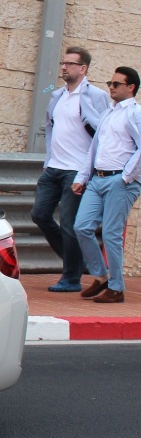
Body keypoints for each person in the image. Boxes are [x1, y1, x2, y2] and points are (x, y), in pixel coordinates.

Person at [34, 47, 110, 292]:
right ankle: (75, 261)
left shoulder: (96, 96)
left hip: (76, 171)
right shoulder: (56, 95)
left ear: (83, 68)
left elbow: (104, 133)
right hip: (53, 168)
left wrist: (87, 172)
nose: (64, 67)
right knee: (39, 214)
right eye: (63, 63)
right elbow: (51, 127)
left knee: (68, 224)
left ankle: (71, 278)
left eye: (69, 63)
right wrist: (48, 161)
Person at [72, 66, 141, 303]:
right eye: (110, 83)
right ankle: (101, 277)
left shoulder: (135, 113)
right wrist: (82, 177)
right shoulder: (109, 113)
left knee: (111, 234)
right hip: (97, 179)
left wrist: (126, 177)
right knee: (81, 226)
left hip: (120, 180)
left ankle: (116, 288)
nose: (110, 87)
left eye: (116, 84)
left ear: (130, 87)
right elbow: (94, 148)